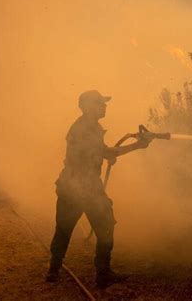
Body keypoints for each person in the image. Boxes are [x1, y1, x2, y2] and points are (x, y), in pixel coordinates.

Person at [46, 90, 151, 288]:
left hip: (72, 185)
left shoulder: (91, 127)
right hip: (83, 188)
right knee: (101, 227)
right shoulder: (83, 129)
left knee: (64, 230)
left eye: (104, 103)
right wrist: (138, 145)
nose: (104, 106)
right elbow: (105, 152)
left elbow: (100, 153)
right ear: (86, 106)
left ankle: (54, 270)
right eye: (100, 103)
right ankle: (101, 274)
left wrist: (107, 155)